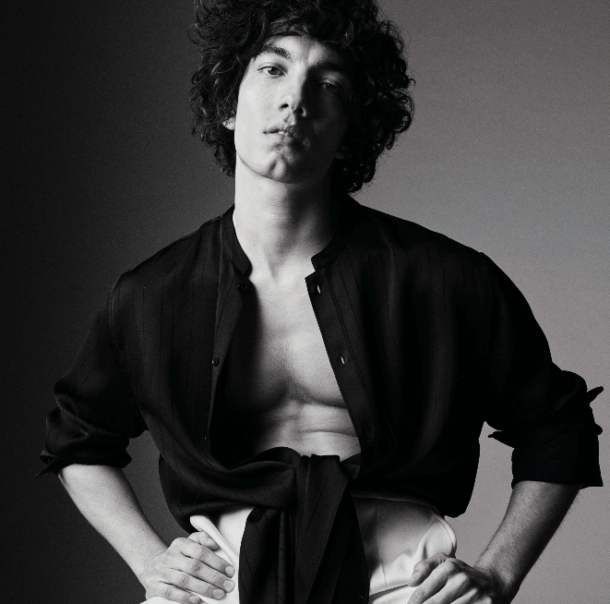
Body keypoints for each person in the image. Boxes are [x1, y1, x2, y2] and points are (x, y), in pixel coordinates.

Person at [39, 1, 603, 603]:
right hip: (221, 583)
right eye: (273, 69)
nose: (296, 100)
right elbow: (78, 438)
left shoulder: (444, 279)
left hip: (405, 583)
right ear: (228, 103)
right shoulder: (154, 294)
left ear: (351, 126)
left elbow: (559, 428)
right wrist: (150, 561)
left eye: (328, 83)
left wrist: (498, 573)